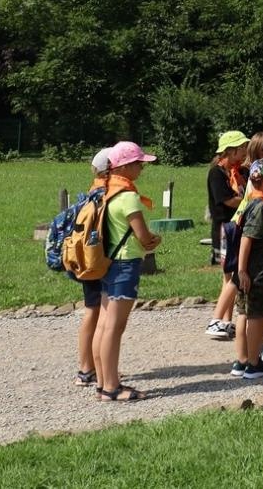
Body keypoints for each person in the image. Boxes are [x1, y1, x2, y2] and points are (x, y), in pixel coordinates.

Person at [94, 141, 163, 400]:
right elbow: (144, 237)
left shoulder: (105, 189)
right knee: (115, 327)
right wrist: (156, 240)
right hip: (125, 265)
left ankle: (103, 383)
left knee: (103, 324)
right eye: (139, 164)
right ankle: (112, 387)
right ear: (125, 166)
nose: (142, 169)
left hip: (107, 262)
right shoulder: (128, 196)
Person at [232, 158, 263, 379]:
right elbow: (247, 238)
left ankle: (242, 360)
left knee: (244, 313)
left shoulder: (250, 201)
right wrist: (243, 270)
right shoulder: (261, 206)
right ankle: (254, 364)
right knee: (255, 315)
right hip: (256, 271)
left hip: (247, 270)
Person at [73, 148, 113, 388]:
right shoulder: (105, 193)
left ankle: (87, 368)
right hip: (99, 259)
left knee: (92, 310)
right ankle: (91, 369)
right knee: (97, 312)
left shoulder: (92, 190)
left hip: (88, 259)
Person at [205, 130, 248, 340]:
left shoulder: (241, 172)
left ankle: (227, 321)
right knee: (229, 275)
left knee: (232, 274)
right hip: (224, 228)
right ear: (230, 151)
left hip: (237, 226)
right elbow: (227, 200)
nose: (245, 151)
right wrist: (248, 200)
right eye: (242, 148)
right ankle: (217, 319)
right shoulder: (217, 173)